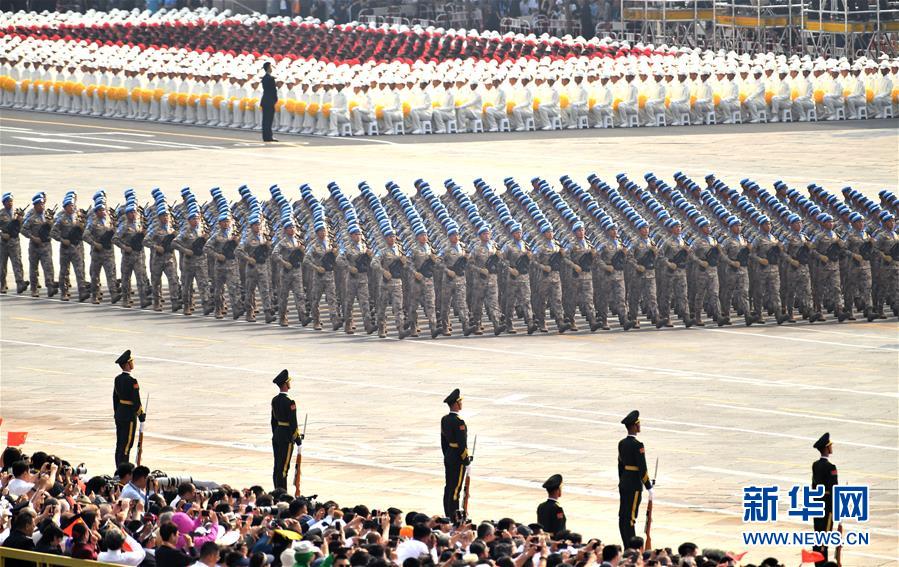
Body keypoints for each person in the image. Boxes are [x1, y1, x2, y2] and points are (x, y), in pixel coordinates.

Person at [617, 410, 653, 547]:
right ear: (634, 426)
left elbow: (620, 465)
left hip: (624, 482)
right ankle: (631, 547)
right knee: (631, 517)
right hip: (634, 484)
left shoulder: (621, 443)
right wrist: (648, 486)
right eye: (638, 424)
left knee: (623, 516)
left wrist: (622, 480)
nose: (640, 426)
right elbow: (642, 468)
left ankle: (626, 543)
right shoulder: (638, 445)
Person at [440, 388, 470, 519]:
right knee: (456, 489)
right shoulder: (459, 421)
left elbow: (443, 440)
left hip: (449, 454)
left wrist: (447, 454)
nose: (461, 404)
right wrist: (466, 459)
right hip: (458, 457)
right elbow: (462, 443)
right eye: (460, 402)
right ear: (456, 404)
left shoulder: (445, 419)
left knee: (449, 486)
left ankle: (448, 512)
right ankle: (454, 515)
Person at [271, 369, 303, 491]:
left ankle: (276, 489)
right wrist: (297, 437)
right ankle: (282, 492)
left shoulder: (274, 400)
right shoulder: (289, 402)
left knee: (277, 466)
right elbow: (293, 422)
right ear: (285, 384)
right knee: (284, 468)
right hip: (286, 437)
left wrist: (276, 434)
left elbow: (273, 421)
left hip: (277, 434)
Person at [113, 349, 145, 467]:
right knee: (127, 444)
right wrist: (141, 414)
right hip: (129, 415)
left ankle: (118, 466)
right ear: (127, 364)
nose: (132, 363)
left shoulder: (117, 379)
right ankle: (124, 468)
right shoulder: (132, 381)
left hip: (120, 414)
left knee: (120, 443)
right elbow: (136, 400)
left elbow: (115, 398)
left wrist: (117, 412)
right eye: (131, 361)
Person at [811, 433, 838, 566]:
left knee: (818, 535)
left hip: (816, 506)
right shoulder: (831, 467)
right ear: (827, 449)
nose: (831, 447)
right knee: (825, 538)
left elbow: (814, 486)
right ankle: (823, 564)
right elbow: (834, 490)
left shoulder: (815, 465)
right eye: (830, 446)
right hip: (828, 507)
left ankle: (817, 562)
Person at [0, 192, 28, 295]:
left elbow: (22, 228)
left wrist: (20, 220)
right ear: (4, 202)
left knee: (17, 263)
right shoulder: (1, 214)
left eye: (11, 201)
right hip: (3, 243)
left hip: (14, 242)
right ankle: (2, 284)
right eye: (8, 201)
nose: (10, 203)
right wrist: (2, 234)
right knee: (2, 265)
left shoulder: (16, 213)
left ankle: (20, 283)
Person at [260, 62, 278, 142]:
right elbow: (273, 91)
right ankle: (269, 137)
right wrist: (275, 100)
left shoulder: (264, 78)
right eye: (270, 67)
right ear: (268, 68)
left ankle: (265, 136)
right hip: (270, 101)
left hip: (265, 100)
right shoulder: (270, 79)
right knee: (269, 120)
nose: (271, 68)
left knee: (265, 120)